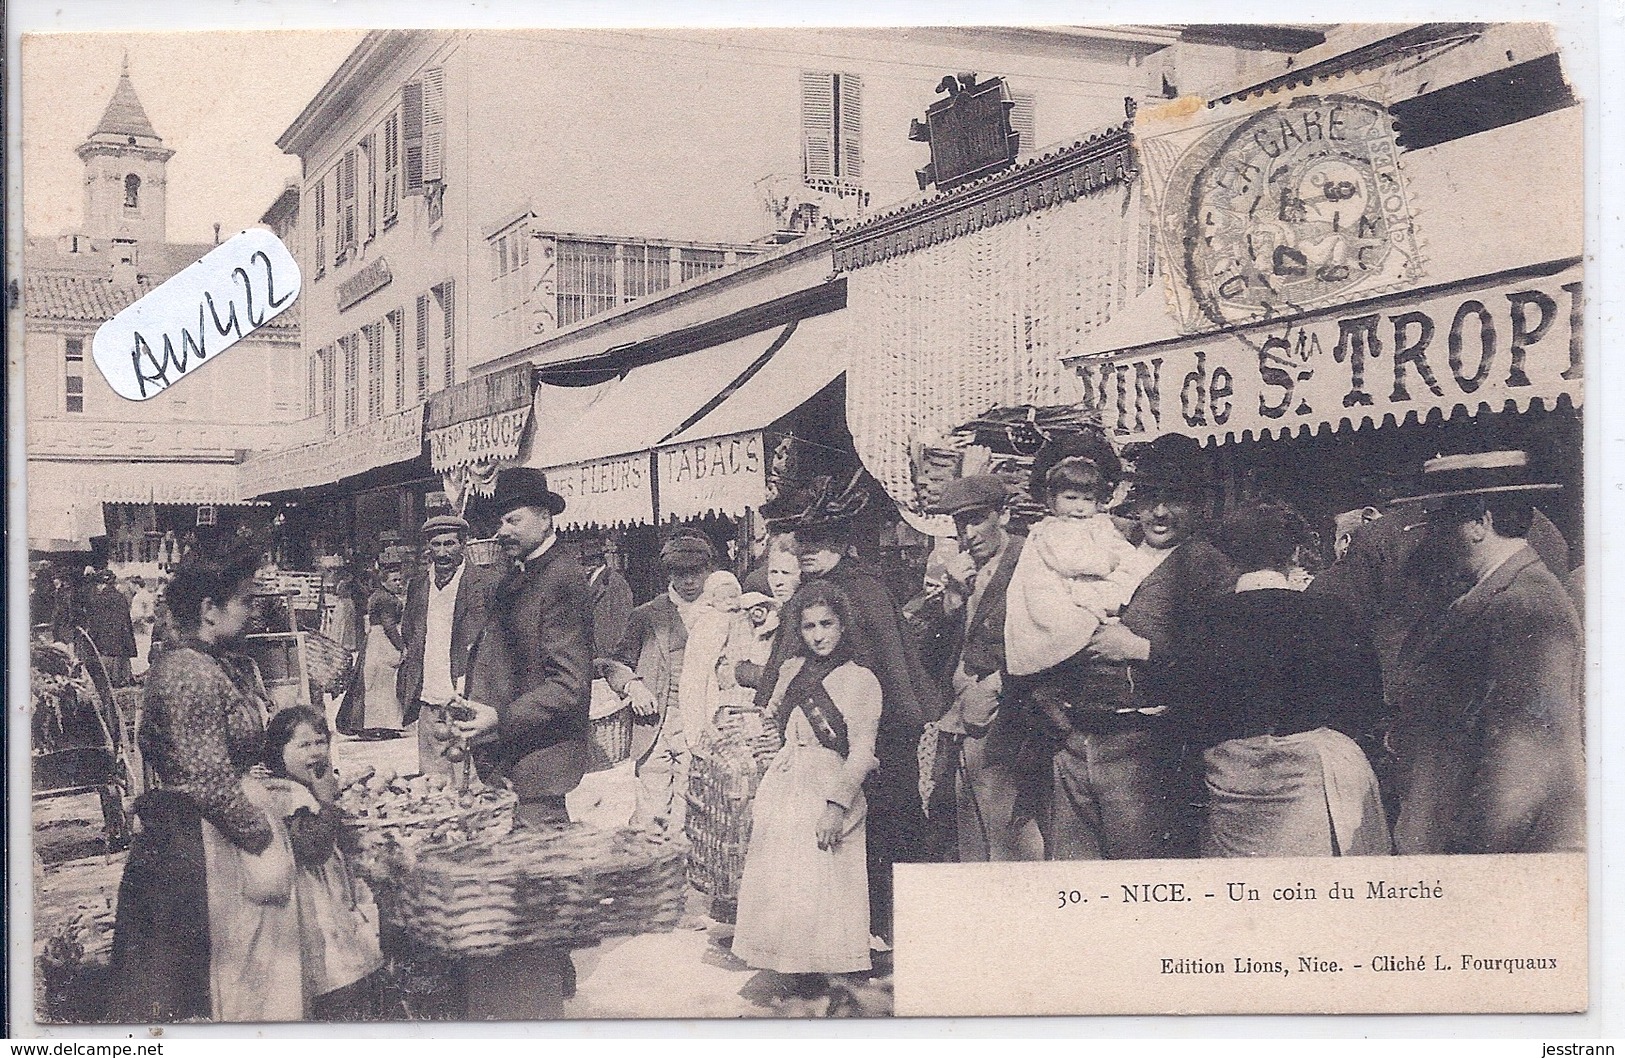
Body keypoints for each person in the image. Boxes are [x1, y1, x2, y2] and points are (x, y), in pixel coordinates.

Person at [107, 543, 302, 1023]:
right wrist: (262, 838)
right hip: (195, 845)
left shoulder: (209, 662)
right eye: (245, 601)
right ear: (208, 611)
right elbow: (206, 777)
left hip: (209, 835)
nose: (254, 611)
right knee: (203, 989)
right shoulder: (188, 672)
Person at [1029, 433, 1236, 860]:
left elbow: (1220, 664)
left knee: (1141, 883)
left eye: (1175, 499)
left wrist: (1140, 650)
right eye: (1151, 497)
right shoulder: (1104, 540)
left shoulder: (1205, 566)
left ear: (1199, 505)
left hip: (1146, 751)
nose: (1159, 513)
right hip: (1072, 741)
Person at [755, 473, 939, 945]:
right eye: (804, 542)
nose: (809, 551)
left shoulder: (865, 592)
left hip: (877, 731)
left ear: (843, 539)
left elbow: (893, 672)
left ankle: (891, 928)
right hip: (823, 742)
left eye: (823, 540)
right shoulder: (810, 594)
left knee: (885, 826)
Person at [1161, 501, 1390, 857]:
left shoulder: (1200, 621)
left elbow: (1185, 713)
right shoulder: (1328, 613)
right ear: (1295, 553)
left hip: (1232, 789)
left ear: (1229, 556)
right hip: (1312, 785)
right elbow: (1366, 702)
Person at [1387, 451, 1584, 855]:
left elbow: (1521, 757)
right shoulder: (1495, 594)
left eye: (1440, 522)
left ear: (1480, 523)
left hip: (1515, 845)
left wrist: (1475, 854)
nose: (1432, 538)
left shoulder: (1525, 603)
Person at [458, 467, 593, 1018]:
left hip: (540, 759)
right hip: (508, 754)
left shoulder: (563, 578)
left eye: (513, 519)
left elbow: (568, 685)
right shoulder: (515, 573)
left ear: (545, 517)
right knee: (526, 881)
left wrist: (498, 719)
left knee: (540, 880)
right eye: (499, 521)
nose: (503, 531)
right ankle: (543, 977)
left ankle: (545, 997)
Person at [732, 581, 882, 987]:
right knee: (785, 878)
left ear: (843, 626)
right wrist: (770, 738)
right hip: (786, 782)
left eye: (827, 624)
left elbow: (862, 753)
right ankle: (793, 970)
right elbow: (775, 720)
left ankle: (833, 974)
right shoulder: (791, 670)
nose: (818, 635)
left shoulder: (862, 680)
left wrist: (837, 806)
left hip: (829, 783)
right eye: (809, 626)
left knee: (828, 880)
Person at [926, 475, 1043, 862]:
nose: (968, 533)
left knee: (1010, 832)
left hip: (1009, 715)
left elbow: (1046, 637)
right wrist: (953, 598)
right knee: (970, 827)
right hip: (963, 714)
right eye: (960, 523)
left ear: (1004, 514)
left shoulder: (1028, 561)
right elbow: (939, 647)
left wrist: (998, 684)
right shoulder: (961, 570)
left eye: (977, 519)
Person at [259, 707, 384, 1019]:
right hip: (310, 905)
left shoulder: (304, 789)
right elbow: (312, 848)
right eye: (304, 746)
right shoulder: (284, 795)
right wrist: (327, 802)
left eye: (320, 742)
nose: (316, 752)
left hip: (330, 898)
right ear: (278, 752)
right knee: (329, 969)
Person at [601, 529, 719, 833]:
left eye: (696, 572)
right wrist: (633, 686)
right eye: (681, 573)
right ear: (669, 573)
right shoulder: (647, 615)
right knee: (650, 818)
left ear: (708, 571)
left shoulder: (722, 614)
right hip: (654, 726)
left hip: (703, 726)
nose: (690, 580)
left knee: (694, 816)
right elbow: (614, 663)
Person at [1003, 455, 1154, 679]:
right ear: (1052, 500)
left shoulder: (1100, 525)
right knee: (1063, 627)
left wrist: (1127, 565)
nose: (1079, 508)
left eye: (1087, 500)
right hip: (1057, 596)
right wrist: (1108, 561)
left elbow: (1125, 553)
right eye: (1071, 498)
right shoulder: (1051, 530)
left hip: (1087, 590)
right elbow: (1069, 561)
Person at [397, 515, 496, 777]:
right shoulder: (418, 585)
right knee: (432, 780)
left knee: (472, 778)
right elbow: (409, 631)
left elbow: (489, 639)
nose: (442, 552)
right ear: (428, 548)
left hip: (467, 696)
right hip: (429, 696)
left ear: (463, 545)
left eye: (449, 544)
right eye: (436, 545)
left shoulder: (483, 583)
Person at [358, 566, 407, 733]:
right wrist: (401, 646)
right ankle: (380, 724)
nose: (399, 583)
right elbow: (389, 626)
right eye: (394, 580)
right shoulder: (386, 599)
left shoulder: (381, 595)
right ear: (384, 582)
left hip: (376, 639)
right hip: (382, 641)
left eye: (400, 579)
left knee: (378, 684)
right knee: (383, 683)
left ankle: (380, 724)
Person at [581, 535, 635, 659]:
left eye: (586, 561)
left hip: (607, 652)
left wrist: (614, 652)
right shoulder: (588, 582)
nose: (583, 567)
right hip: (592, 652)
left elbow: (623, 620)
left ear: (596, 562)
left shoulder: (615, 582)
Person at [84, 568, 138, 686]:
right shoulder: (120, 597)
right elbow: (126, 620)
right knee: (120, 673)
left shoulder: (98, 599)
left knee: (106, 676)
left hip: (104, 643)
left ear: (102, 584)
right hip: (120, 642)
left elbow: (94, 621)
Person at [129, 575, 158, 677]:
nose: (130, 588)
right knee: (145, 649)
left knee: (139, 650)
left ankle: (139, 673)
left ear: (136, 586)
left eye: (131, 585)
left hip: (139, 627)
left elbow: (136, 615)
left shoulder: (138, 597)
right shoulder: (148, 595)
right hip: (148, 626)